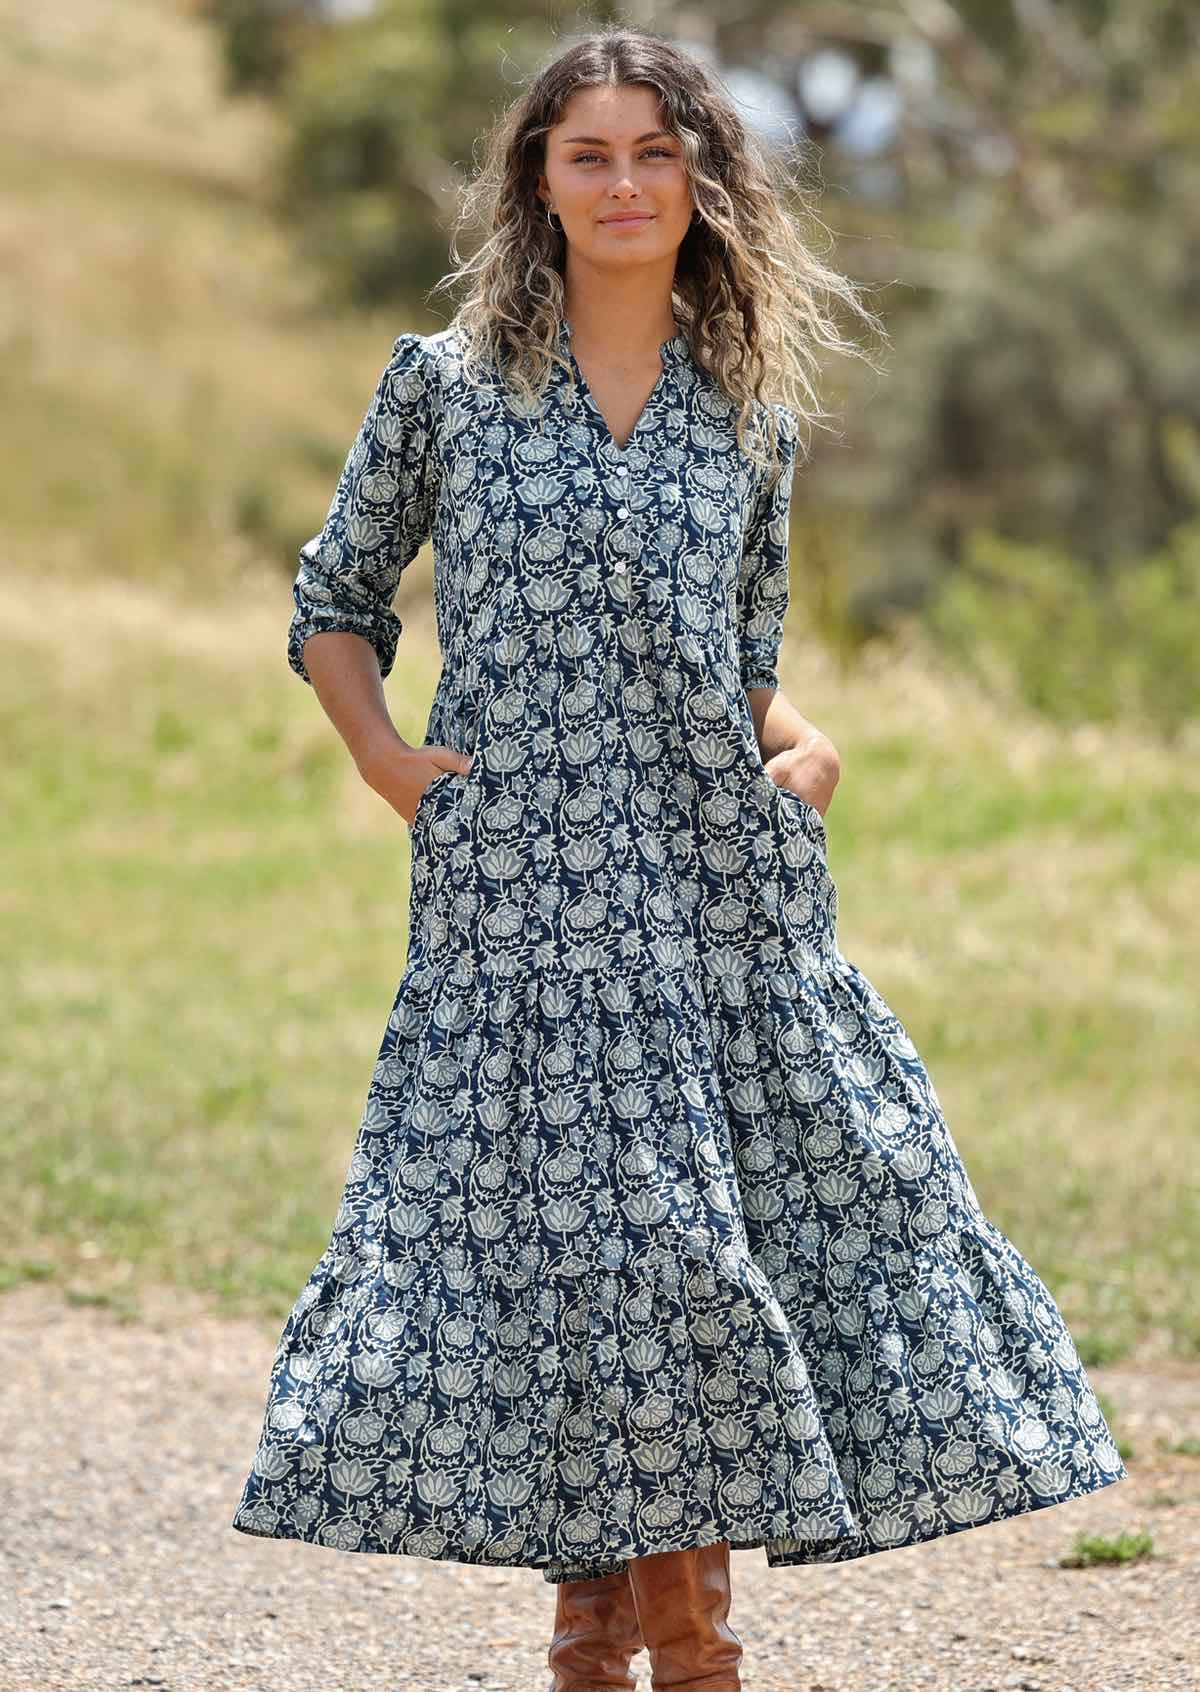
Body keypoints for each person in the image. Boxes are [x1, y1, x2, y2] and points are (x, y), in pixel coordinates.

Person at [230, 27, 1129, 1692]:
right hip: (523, 891)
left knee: (682, 1242)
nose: (627, 182)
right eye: (591, 153)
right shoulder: (445, 388)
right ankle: (653, 1648)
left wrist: (806, 742)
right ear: (540, 181)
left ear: (706, 180)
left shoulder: (747, 416)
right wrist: (387, 762)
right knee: (593, 1248)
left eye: (658, 152)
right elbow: (334, 600)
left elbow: (734, 657)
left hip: (714, 889)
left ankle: (637, 1643)